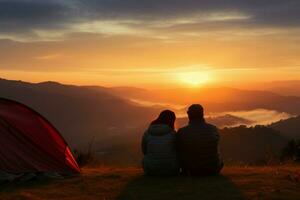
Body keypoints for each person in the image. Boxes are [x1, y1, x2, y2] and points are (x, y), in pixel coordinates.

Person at [177, 104, 223, 176]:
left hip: (191, 170)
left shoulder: (182, 132)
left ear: (188, 115)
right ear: (202, 114)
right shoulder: (213, 129)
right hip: (213, 169)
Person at [141, 110, 179, 176]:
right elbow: (178, 150)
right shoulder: (173, 134)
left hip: (150, 169)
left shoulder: (147, 133)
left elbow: (144, 151)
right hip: (170, 169)